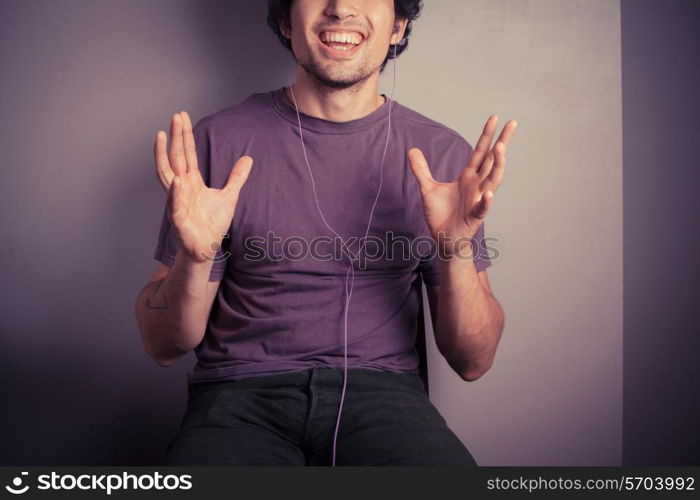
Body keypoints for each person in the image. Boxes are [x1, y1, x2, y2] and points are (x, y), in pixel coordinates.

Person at [134, 0, 517, 466]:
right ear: (284, 20)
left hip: (384, 397)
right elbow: (163, 346)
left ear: (397, 25)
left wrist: (455, 249)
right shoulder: (216, 142)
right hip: (238, 399)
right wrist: (196, 259)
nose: (340, 8)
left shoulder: (440, 155)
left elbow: (472, 361)